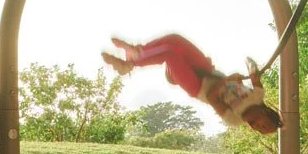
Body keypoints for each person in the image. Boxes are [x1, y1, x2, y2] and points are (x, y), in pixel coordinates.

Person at [100, 34, 282, 133]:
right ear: (266, 112)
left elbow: (212, 97)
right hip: (206, 70)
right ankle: (138, 52)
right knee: (176, 41)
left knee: (170, 55)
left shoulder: (233, 119)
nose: (256, 127)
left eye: (259, 130)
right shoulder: (258, 96)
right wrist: (252, 71)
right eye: (263, 125)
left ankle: (129, 64)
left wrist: (227, 80)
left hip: (197, 86)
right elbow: (252, 67)